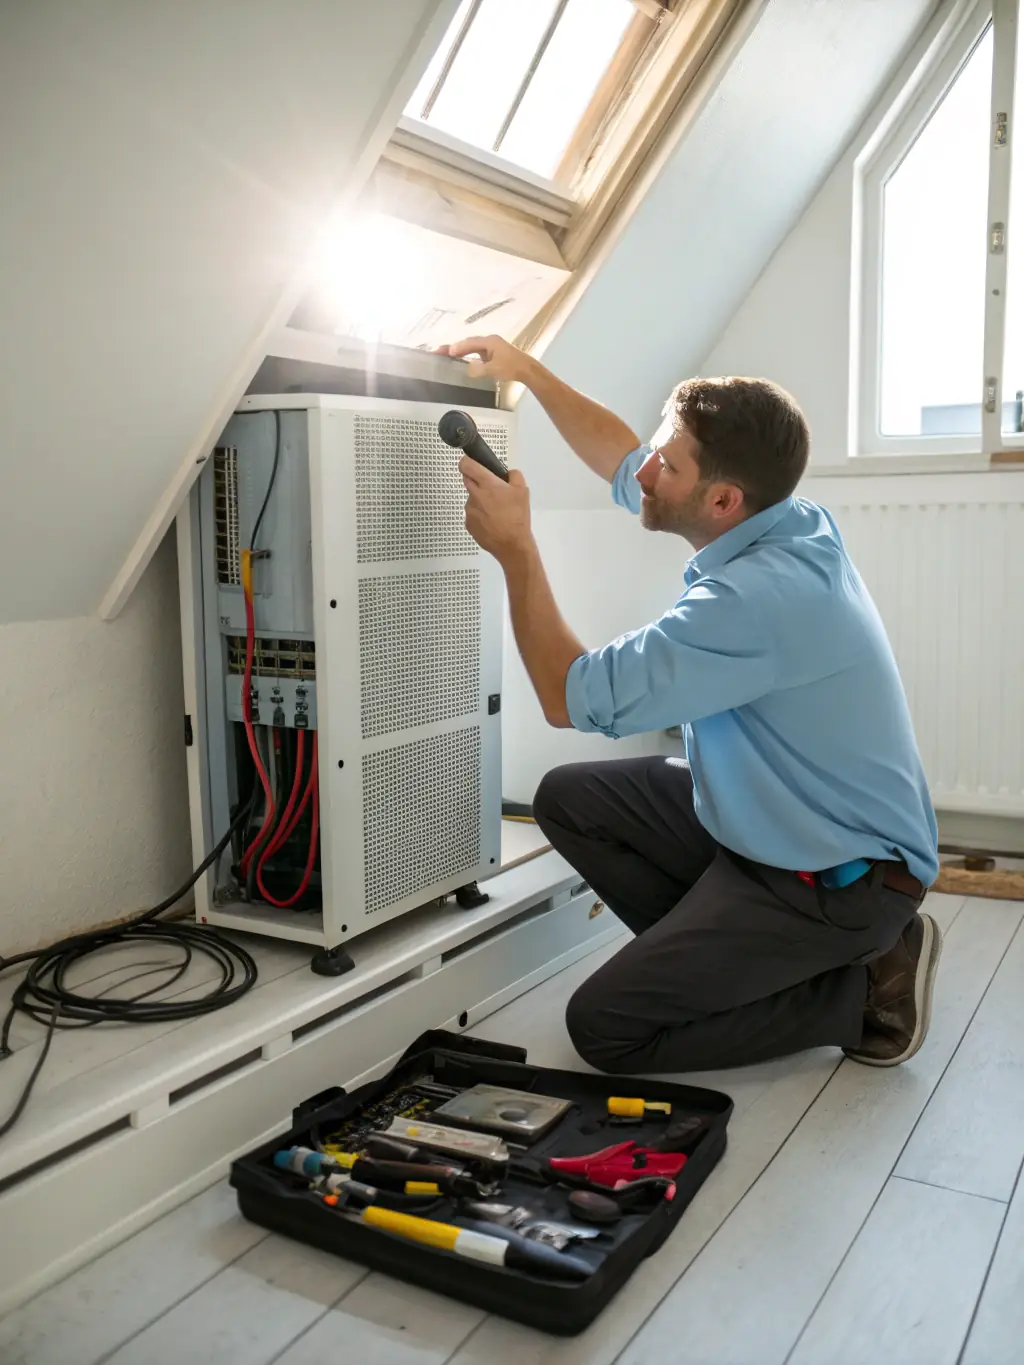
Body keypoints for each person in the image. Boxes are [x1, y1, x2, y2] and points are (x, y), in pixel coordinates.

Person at [439, 333, 942, 1076]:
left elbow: (565, 695)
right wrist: (526, 370)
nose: (644, 469)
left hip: (843, 882)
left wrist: (516, 550)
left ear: (721, 499)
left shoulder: (755, 602)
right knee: (570, 800)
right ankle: (728, 966)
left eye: (665, 464)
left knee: (606, 1027)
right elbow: (622, 457)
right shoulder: (786, 518)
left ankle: (862, 991)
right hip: (778, 828)